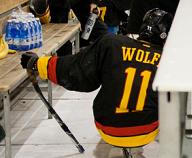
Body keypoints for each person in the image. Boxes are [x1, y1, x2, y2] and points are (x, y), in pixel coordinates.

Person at [20, 8, 173, 149]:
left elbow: (75, 68)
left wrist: (37, 64)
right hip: (147, 129)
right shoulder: (169, 59)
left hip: (107, 127)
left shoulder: (111, 43)